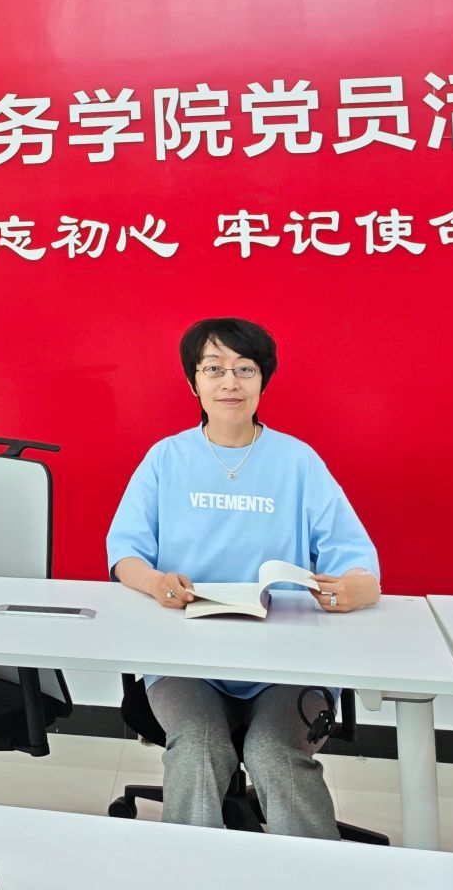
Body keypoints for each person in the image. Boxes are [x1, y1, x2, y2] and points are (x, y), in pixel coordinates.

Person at [106, 317, 380, 838]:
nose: (229, 382)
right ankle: (193, 871)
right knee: (198, 746)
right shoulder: (166, 458)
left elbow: (354, 559)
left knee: (275, 752)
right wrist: (156, 582)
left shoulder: (297, 460)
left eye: (244, 369)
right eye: (213, 369)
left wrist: (356, 587)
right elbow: (125, 555)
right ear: (193, 382)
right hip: (186, 658)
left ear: (262, 380)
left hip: (287, 661)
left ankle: (313, 872)